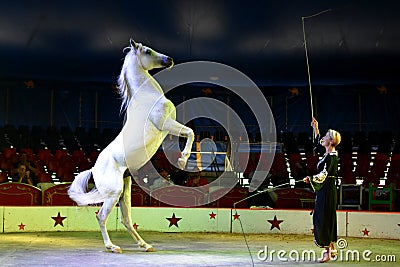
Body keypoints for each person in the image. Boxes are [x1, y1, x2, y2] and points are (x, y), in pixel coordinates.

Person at [303, 117, 341, 263]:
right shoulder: (327, 154)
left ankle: (327, 251)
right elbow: (318, 144)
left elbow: (323, 174)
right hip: (325, 190)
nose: (323, 138)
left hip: (327, 190)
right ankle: (331, 247)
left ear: (331, 141)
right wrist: (316, 128)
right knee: (324, 217)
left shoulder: (331, 157)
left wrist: (310, 179)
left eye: (325, 136)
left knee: (323, 218)